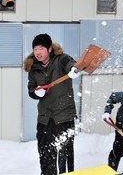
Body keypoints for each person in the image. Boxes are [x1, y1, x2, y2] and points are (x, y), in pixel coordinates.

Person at [24, 33, 80, 175]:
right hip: (45, 118)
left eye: (41, 48)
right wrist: (36, 92)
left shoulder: (61, 59)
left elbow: (71, 64)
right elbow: (31, 89)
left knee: (65, 157)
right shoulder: (34, 68)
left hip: (64, 117)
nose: (38, 52)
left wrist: (74, 70)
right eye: (35, 49)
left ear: (49, 49)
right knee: (45, 155)